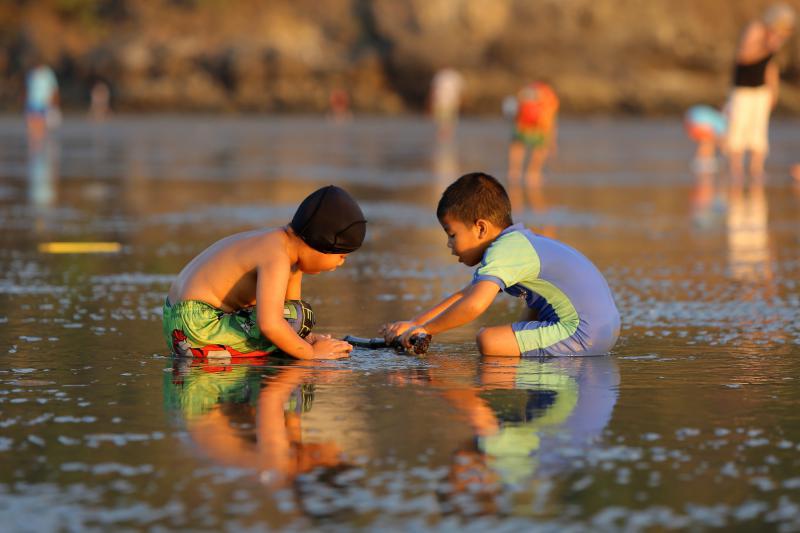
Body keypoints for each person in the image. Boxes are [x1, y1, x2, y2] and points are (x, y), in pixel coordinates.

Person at [381, 172, 620, 357]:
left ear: (481, 228)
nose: (449, 245)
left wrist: (427, 331)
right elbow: (465, 295)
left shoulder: (504, 250)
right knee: (512, 328)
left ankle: (487, 423)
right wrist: (416, 323)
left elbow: (473, 305)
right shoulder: (518, 243)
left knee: (489, 340)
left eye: (452, 234)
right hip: (603, 329)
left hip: (583, 331)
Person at [163, 185, 366, 360]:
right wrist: (313, 354)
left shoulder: (280, 245)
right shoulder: (276, 256)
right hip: (196, 329)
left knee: (297, 315)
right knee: (295, 319)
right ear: (321, 242)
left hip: (177, 318)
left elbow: (292, 316)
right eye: (341, 256)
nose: (341, 263)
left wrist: (309, 339)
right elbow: (270, 323)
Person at [726, 4, 795, 182]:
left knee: (759, 133)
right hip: (743, 89)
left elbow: (770, 67)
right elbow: (743, 56)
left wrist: (774, 91)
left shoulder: (775, 37)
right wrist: (767, 46)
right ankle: (737, 171)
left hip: (761, 91)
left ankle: (756, 170)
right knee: (738, 130)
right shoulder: (757, 29)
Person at [507, 82, 559, 191]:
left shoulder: (527, 90)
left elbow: (514, 110)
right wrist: (553, 141)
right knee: (540, 149)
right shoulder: (550, 96)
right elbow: (550, 119)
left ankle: (514, 172)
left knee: (517, 147)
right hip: (539, 128)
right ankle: (533, 173)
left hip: (521, 126)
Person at [684, 104, 727, 174]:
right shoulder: (722, 122)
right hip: (699, 123)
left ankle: (700, 161)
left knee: (704, 142)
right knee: (708, 142)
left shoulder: (714, 116)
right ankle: (706, 162)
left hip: (691, 121)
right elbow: (720, 139)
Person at [25, 61, 60, 144]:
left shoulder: (48, 73)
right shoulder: (31, 73)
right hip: (31, 102)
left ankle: (40, 143)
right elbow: (27, 88)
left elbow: (54, 88)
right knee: (31, 124)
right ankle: (34, 144)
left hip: (44, 102)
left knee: (41, 124)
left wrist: (55, 102)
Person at [430, 67, 464, 140]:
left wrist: (460, 100)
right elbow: (434, 89)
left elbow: (460, 89)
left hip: (451, 101)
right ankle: (443, 133)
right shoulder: (439, 75)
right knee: (440, 118)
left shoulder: (454, 75)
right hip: (440, 101)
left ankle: (447, 133)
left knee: (449, 118)